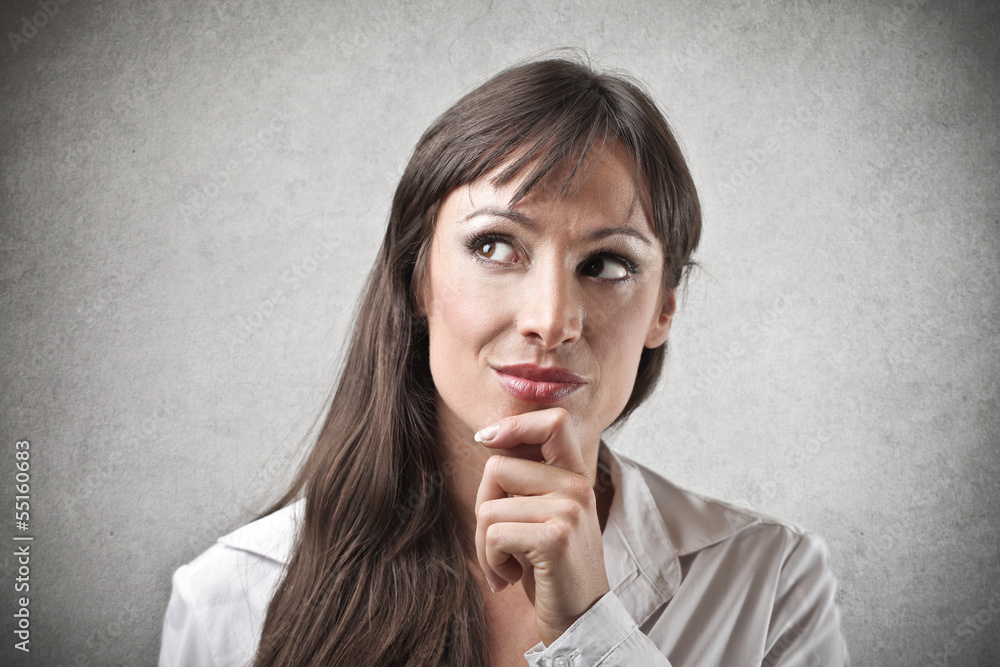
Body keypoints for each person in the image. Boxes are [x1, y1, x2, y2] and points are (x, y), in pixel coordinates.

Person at [159, 57, 850, 666]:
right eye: (494, 246)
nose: (550, 320)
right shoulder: (230, 598)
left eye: (607, 264)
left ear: (663, 310)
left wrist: (593, 631)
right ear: (417, 278)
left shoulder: (768, 582)